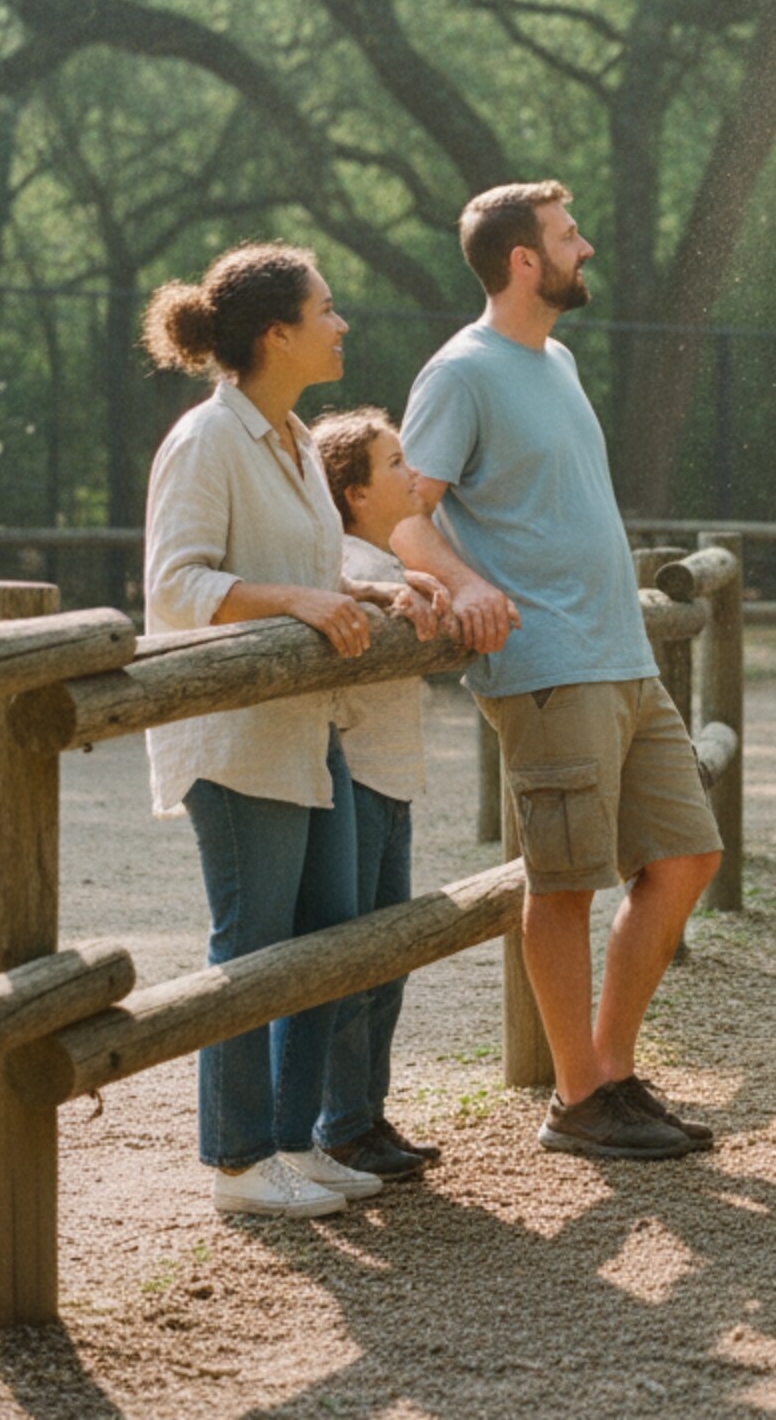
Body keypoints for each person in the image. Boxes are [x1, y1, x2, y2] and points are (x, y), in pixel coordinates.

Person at [391, 181, 723, 1161]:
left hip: (619, 653)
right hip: (542, 662)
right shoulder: (459, 372)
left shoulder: (559, 357)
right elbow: (404, 513)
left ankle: (610, 1072)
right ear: (523, 259)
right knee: (565, 881)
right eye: (569, 235)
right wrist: (465, 583)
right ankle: (576, 1095)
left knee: (685, 856)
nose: (586, 248)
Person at [142, 243, 445, 1218]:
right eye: (326, 308)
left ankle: (294, 1138)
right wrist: (301, 604)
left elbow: (309, 568)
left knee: (330, 938)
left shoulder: (286, 440)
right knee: (253, 943)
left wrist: (364, 589)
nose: (341, 321)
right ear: (277, 332)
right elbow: (174, 586)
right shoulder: (207, 440)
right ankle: (237, 1160)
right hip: (236, 741)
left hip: (309, 735)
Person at [309, 405, 456, 1183]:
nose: (411, 471)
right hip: (357, 778)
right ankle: (342, 1122)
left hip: (394, 780)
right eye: (394, 462)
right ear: (354, 491)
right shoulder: (341, 553)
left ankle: (365, 1113)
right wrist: (402, 591)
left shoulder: (386, 553)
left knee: (387, 961)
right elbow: (354, 586)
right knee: (358, 958)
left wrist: (420, 582)